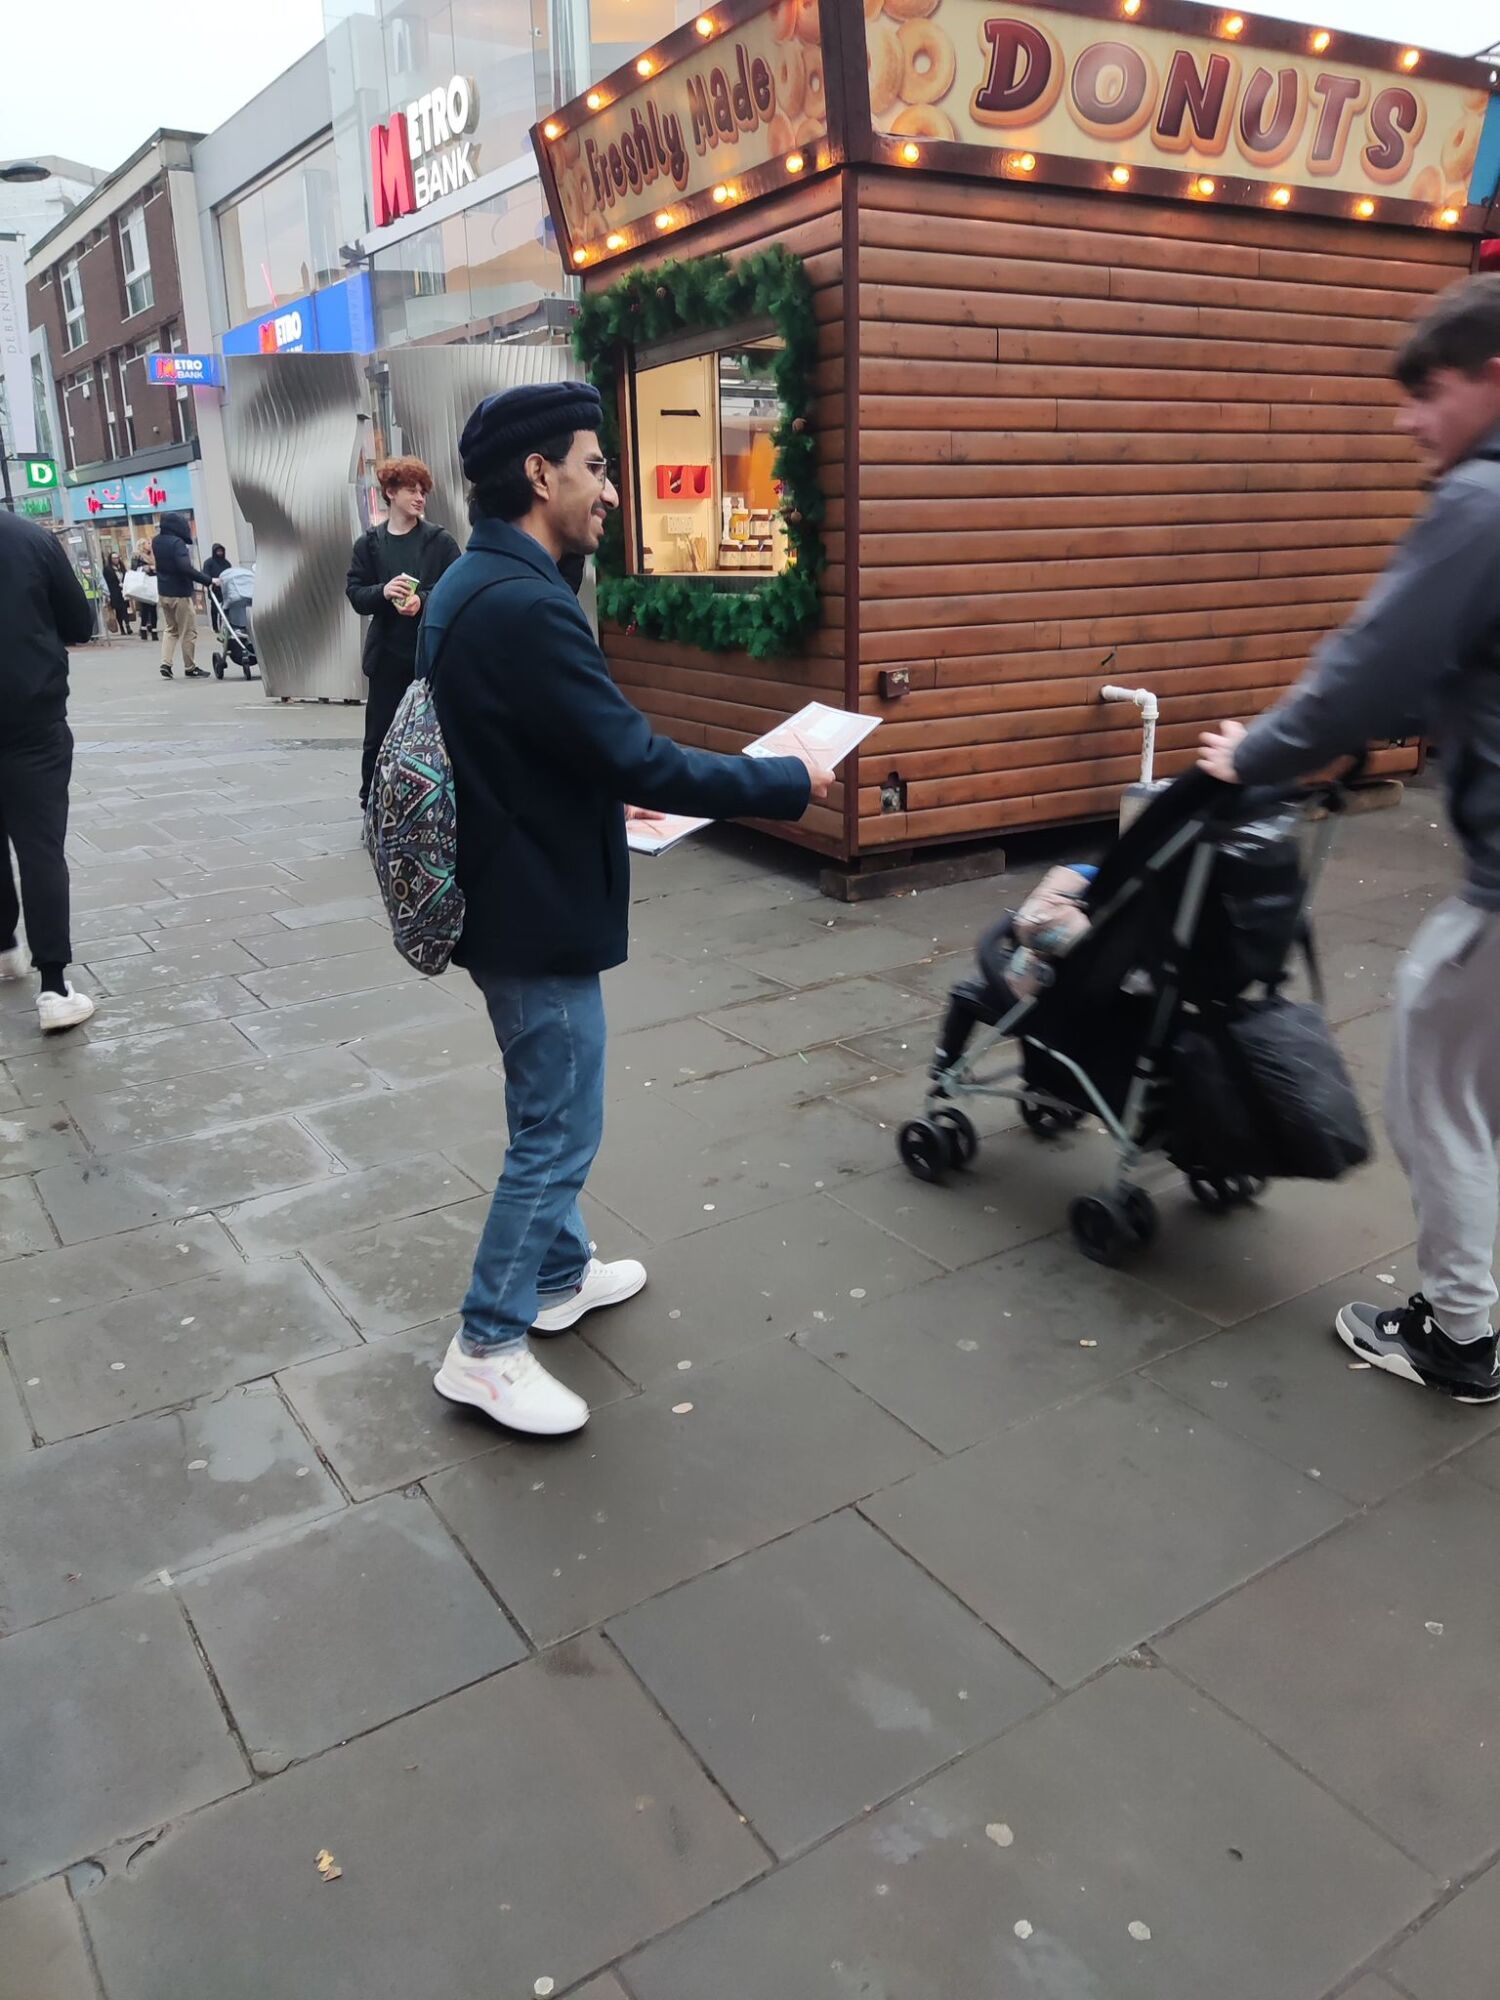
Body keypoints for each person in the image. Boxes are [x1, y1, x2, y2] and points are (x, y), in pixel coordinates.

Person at [424, 381, 832, 1437]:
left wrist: (607, 787)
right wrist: (785, 778)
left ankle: (559, 1276)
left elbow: (528, 745)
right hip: (532, 909)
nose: (610, 491)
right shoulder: (523, 604)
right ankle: (486, 1345)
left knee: (545, 1105)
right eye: (596, 467)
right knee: (559, 1128)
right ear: (539, 474)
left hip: (511, 889)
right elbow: (635, 751)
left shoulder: (477, 581)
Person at [1200, 271, 1500, 1406]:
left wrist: (1255, 754)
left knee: (1435, 1085)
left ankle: (1458, 1334)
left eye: (1429, 392)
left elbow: (1369, 668)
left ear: (1493, 379)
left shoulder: (1479, 504)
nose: (1409, 420)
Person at [0, 511, 98, 1031]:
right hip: (31, 717)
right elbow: (80, 623)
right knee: (41, 849)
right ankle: (55, 988)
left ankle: (4, 946)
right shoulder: (32, 540)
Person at [345, 458, 462, 809]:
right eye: (412, 489)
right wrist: (384, 591)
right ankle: (372, 805)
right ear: (391, 492)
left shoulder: (440, 541)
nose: (419, 497)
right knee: (379, 735)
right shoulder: (369, 544)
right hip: (386, 658)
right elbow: (355, 594)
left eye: (423, 491)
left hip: (430, 656)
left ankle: (437, 804)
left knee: (437, 734)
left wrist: (422, 600)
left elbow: (457, 589)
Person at [152, 511, 211, 680]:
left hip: (163, 591)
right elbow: (185, 568)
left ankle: (166, 663)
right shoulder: (177, 543)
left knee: (171, 629)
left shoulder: (156, 541)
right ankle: (190, 667)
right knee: (188, 631)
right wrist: (207, 580)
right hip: (180, 593)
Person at [127, 545, 158, 643]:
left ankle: (154, 630)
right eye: (147, 543)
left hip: (153, 583)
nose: (149, 545)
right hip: (143, 584)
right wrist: (147, 568)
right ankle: (144, 629)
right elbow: (134, 569)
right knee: (145, 608)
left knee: (153, 608)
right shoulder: (137, 556)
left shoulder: (153, 555)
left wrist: (155, 568)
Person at [203, 542, 231, 634]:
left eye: (221, 551)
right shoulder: (208, 563)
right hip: (214, 589)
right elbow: (205, 575)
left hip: (224, 589)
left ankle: (224, 625)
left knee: (225, 608)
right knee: (215, 608)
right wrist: (211, 581)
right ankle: (215, 627)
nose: (220, 553)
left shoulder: (226, 563)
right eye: (218, 551)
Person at [102, 552, 131, 636]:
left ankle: (127, 625)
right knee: (118, 610)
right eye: (114, 558)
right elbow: (107, 581)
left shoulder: (121, 567)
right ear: (110, 559)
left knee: (124, 609)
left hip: (123, 591)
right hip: (114, 592)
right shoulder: (107, 569)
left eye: (117, 557)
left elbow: (126, 576)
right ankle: (121, 627)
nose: (116, 560)